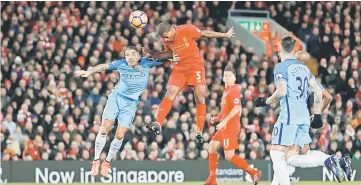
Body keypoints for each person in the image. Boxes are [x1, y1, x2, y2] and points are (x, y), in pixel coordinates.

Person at [254, 36, 344, 185]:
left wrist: (265, 101)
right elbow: (318, 91)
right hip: (303, 117)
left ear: (278, 49)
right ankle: (330, 160)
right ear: (295, 49)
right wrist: (317, 114)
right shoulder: (305, 69)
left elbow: (281, 92)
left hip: (289, 117)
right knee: (293, 157)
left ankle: (328, 160)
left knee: (276, 154)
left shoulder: (282, 67)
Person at [74, 46, 172, 177]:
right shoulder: (121, 64)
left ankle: (107, 162)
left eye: (133, 54)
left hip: (131, 104)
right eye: (127, 55)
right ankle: (96, 160)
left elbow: (165, 57)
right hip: (116, 98)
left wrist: (174, 58)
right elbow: (103, 66)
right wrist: (89, 72)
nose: (130, 57)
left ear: (138, 55)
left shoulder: (146, 62)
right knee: (104, 129)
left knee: (120, 135)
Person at [142, 22, 234, 143]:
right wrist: (153, 54)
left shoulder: (186, 30)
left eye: (166, 36)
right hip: (180, 68)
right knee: (170, 92)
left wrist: (224, 35)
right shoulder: (166, 39)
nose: (166, 39)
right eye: (164, 38)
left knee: (200, 96)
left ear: (171, 29)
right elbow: (169, 52)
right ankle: (158, 123)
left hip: (195, 66)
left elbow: (205, 33)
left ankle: (199, 131)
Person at [205, 66, 261, 185]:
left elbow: (237, 108)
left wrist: (224, 122)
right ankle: (212, 179)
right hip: (225, 126)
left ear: (234, 78)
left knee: (229, 156)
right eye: (225, 76)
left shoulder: (234, 89)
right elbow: (225, 111)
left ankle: (253, 172)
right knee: (211, 148)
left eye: (229, 76)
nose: (227, 78)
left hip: (231, 127)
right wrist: (217, 118)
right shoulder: (226, 91)